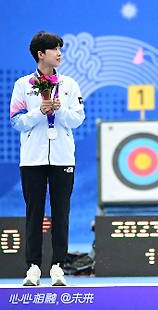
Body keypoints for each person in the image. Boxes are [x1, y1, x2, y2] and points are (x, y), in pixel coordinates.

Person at [9, 31, 85, 286]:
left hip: (63, 157)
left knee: (61, 213)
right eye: (55, 49)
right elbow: (16, 121)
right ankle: (32, 267)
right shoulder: (23, 84)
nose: (60, 53)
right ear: (41, 54)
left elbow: (78, 119)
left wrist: (59, 109)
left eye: (60, 48)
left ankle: (58, 267)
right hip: (33, 159)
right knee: (34, 214)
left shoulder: (70, 85)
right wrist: (38, 112)